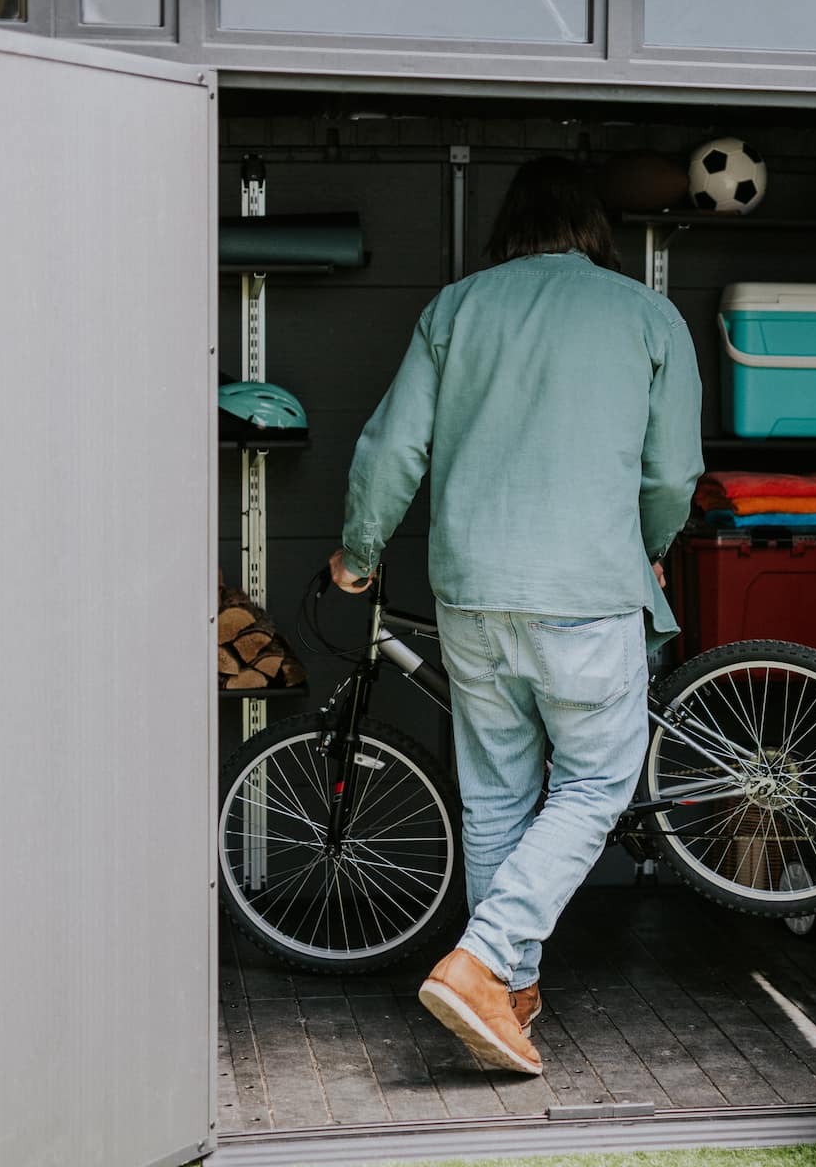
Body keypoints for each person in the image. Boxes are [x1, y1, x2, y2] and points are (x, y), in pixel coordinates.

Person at [328, 157, 703, 1075]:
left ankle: (510, 996)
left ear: (511, 227)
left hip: (472, 589)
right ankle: (485, 960)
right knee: (594, 786)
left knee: (496, 794)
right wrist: (652, 544)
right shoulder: (647, 314)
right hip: (587, 592)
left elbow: (393, 447)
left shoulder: (457, 308)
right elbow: (672, 472)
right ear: (594, 228)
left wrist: (359, 554)